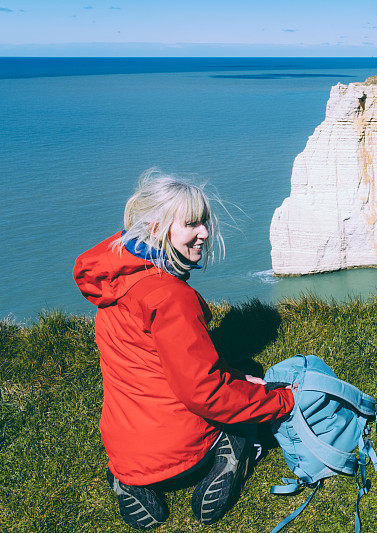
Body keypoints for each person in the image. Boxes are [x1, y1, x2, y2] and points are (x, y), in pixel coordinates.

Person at [73, 169, 294, 529]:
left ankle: (128, 482)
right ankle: (228, 456)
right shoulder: (170, 297)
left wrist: (238, 378)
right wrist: (280, 400)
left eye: (204, 222)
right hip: (182, 450)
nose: (204, 233)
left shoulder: (113, 278)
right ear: (157, 230)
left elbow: (158, 367)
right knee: (240, 419)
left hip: (124, 447)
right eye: (192, 224)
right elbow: (206, 393)